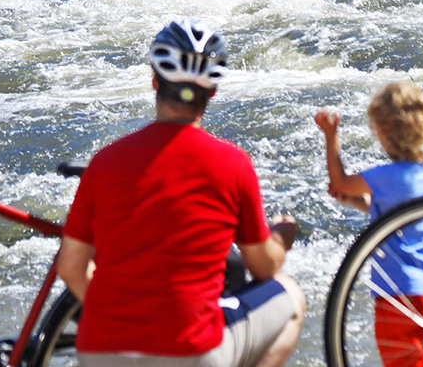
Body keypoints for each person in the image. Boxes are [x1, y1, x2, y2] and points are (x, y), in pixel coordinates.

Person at [58, 19, 305, 367]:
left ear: (155, 81)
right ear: (213, 92)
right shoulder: (232, 164)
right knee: (290, 296)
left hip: (101, 351)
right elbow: (263, 266)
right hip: (191, 352)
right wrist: (282, 235)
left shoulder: (105, 161)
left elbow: (70, 268)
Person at [314, 81, 423, 367]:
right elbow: (395, 216)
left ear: (385, 135)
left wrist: (331, 135)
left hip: (397, 295)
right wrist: (356, 202)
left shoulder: (388, 175)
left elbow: (339, 181)